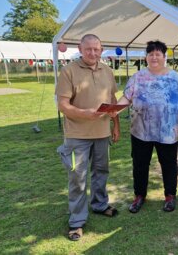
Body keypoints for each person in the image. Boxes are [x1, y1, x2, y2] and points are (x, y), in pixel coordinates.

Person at [56, 34, 120, 241]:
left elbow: (112, 99)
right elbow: (62, 104)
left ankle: (100, 205)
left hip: (102, 133)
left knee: (101, 171)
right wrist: (86, 114)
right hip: (77, 135)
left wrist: (115, 123)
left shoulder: (107, 70)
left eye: (96, 49)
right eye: (89, 49)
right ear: (80, 49)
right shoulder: (68, 71)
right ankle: (76, 221)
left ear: (101, 50)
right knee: (77, 178)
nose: (93, 53)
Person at [117, 40, 178, 213]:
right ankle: (139, 195)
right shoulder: (137, 77)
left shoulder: (177, 79)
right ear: (146, 57)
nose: (154, 57)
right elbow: (127, 97)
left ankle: (170, 195)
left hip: (168, 132)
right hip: (141, 131)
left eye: (158, 54)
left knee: (169, 165)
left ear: (164, 56)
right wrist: (115, 109)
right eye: (151, 54)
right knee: (140, 164)